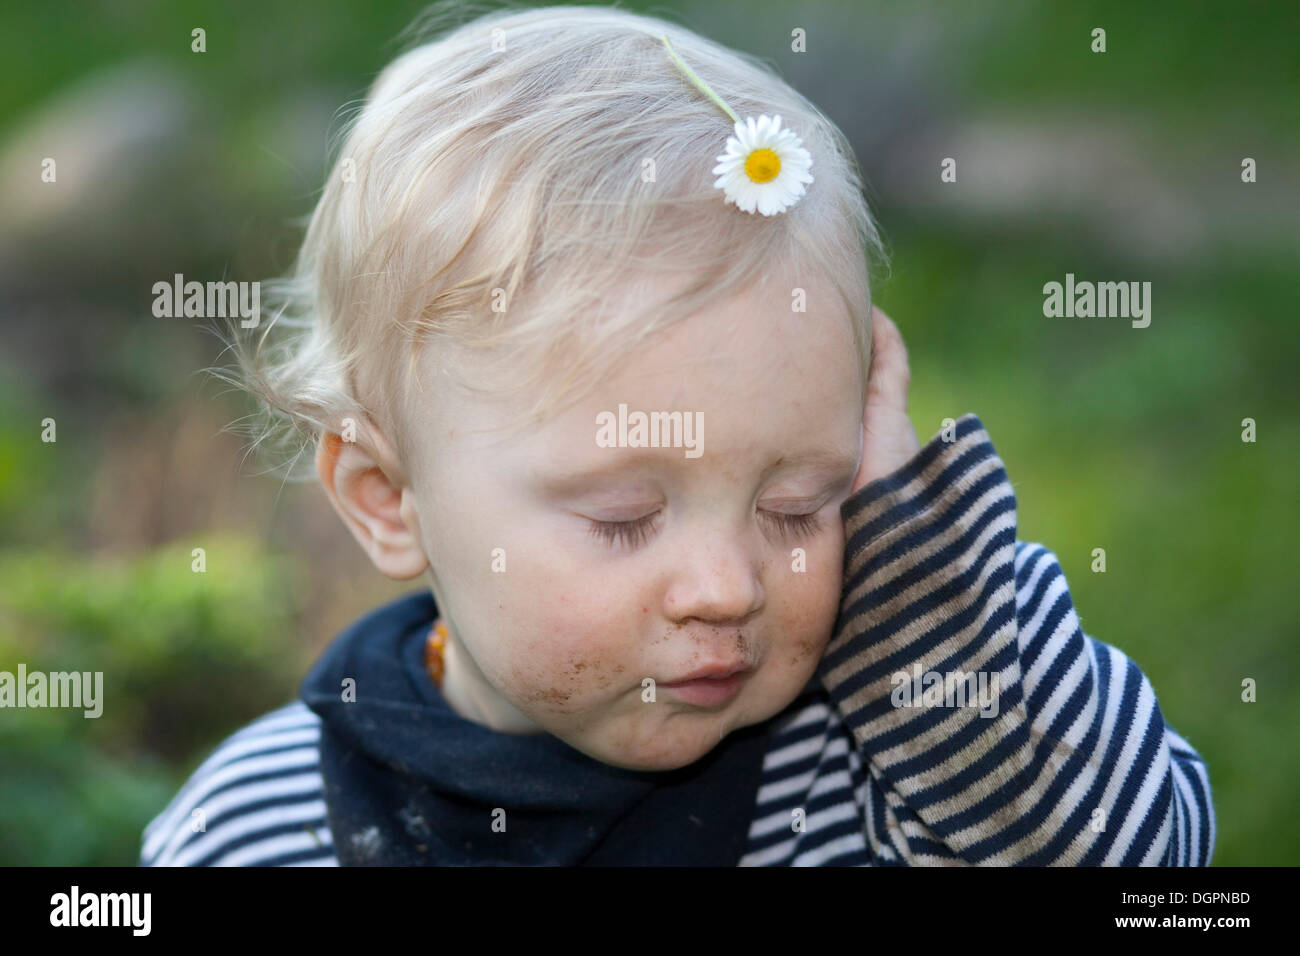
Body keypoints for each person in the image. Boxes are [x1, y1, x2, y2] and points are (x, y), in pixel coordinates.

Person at [140, 3, 1212, 866]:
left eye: (798, 503)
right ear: (387, 494)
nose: (727, 585)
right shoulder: (258, 826)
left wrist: (919, 566)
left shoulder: (887, 767)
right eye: (624, 516)